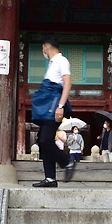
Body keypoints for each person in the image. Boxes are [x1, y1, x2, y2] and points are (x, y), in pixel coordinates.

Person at [29, 38, 75, 187]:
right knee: (44, 141)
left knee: (45, 140)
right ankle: (50, 178)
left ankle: (67, 162)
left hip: (53, 104)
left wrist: (60, 106)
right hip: (47, 104)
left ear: (46, 47)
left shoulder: (62, 61)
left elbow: (67, 84)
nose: (43, 51)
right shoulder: (52, 63)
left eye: (43, 48)